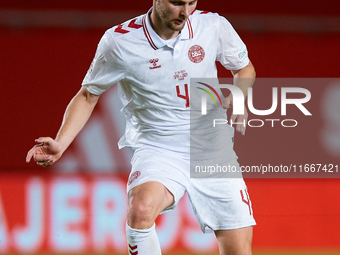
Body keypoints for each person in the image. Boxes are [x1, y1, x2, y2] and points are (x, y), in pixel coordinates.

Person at [26, 0, 256, 254]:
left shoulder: (213, 25)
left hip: (212, 148)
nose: (185, 12)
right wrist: (61, 142)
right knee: (140, 208)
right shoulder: (119, 42)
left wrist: (239, 94)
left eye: (191, 3)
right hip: (158, 148)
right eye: (177, 3)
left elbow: (244, 68)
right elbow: (88, 95)